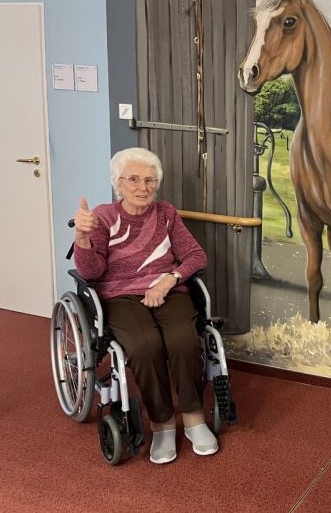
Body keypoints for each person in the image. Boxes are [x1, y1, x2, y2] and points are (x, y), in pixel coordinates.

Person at [73, 147, 217, 464]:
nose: (143, 187)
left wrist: (168, 280)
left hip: (168, 290)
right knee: (144, 345)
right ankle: (162, 424)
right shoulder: (104, 217)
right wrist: (82, 238)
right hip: (120, 295)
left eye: (150, 180)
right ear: (118, 183)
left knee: (183, 340)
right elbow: (91, 272)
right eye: (134, 179)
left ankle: (194, 418)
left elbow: (196, 256)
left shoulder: (166, 213)